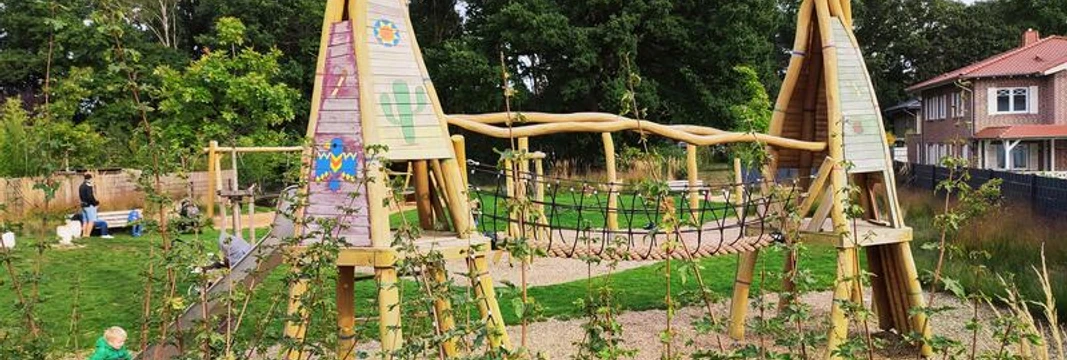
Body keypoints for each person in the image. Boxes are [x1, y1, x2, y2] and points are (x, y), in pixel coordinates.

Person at [79, 173, 101, 238]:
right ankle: (88, 235)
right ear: (90, 178)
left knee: (85, 221)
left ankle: (83, 234)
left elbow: (81, 196)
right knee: (91, 221)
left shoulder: (81, 186)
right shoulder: (88, 185)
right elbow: (90, 196)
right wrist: (95, 203)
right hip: (89, 206)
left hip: (83, 205)